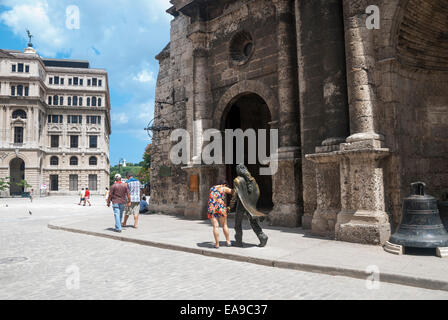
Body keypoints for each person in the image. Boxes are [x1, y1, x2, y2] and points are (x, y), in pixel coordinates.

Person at [231, 164, 268, 247]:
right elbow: (256, 192)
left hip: (241, 205)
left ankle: (238, 241)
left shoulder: (237, 180)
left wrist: (230, 206)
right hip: (250, 205)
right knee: (253, 222)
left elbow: (235, 196)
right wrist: (253, 203)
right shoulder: (252, 180)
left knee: (237, 223)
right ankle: (262, 236)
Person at [207, 180, 233, 248]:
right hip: (220, 207)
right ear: (224, 184)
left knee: (215, 226)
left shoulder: (212, 188)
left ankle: (217, 244)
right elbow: (234, 192)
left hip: (212, 207)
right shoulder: (223, 187)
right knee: (224, 225)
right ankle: (228, 241)